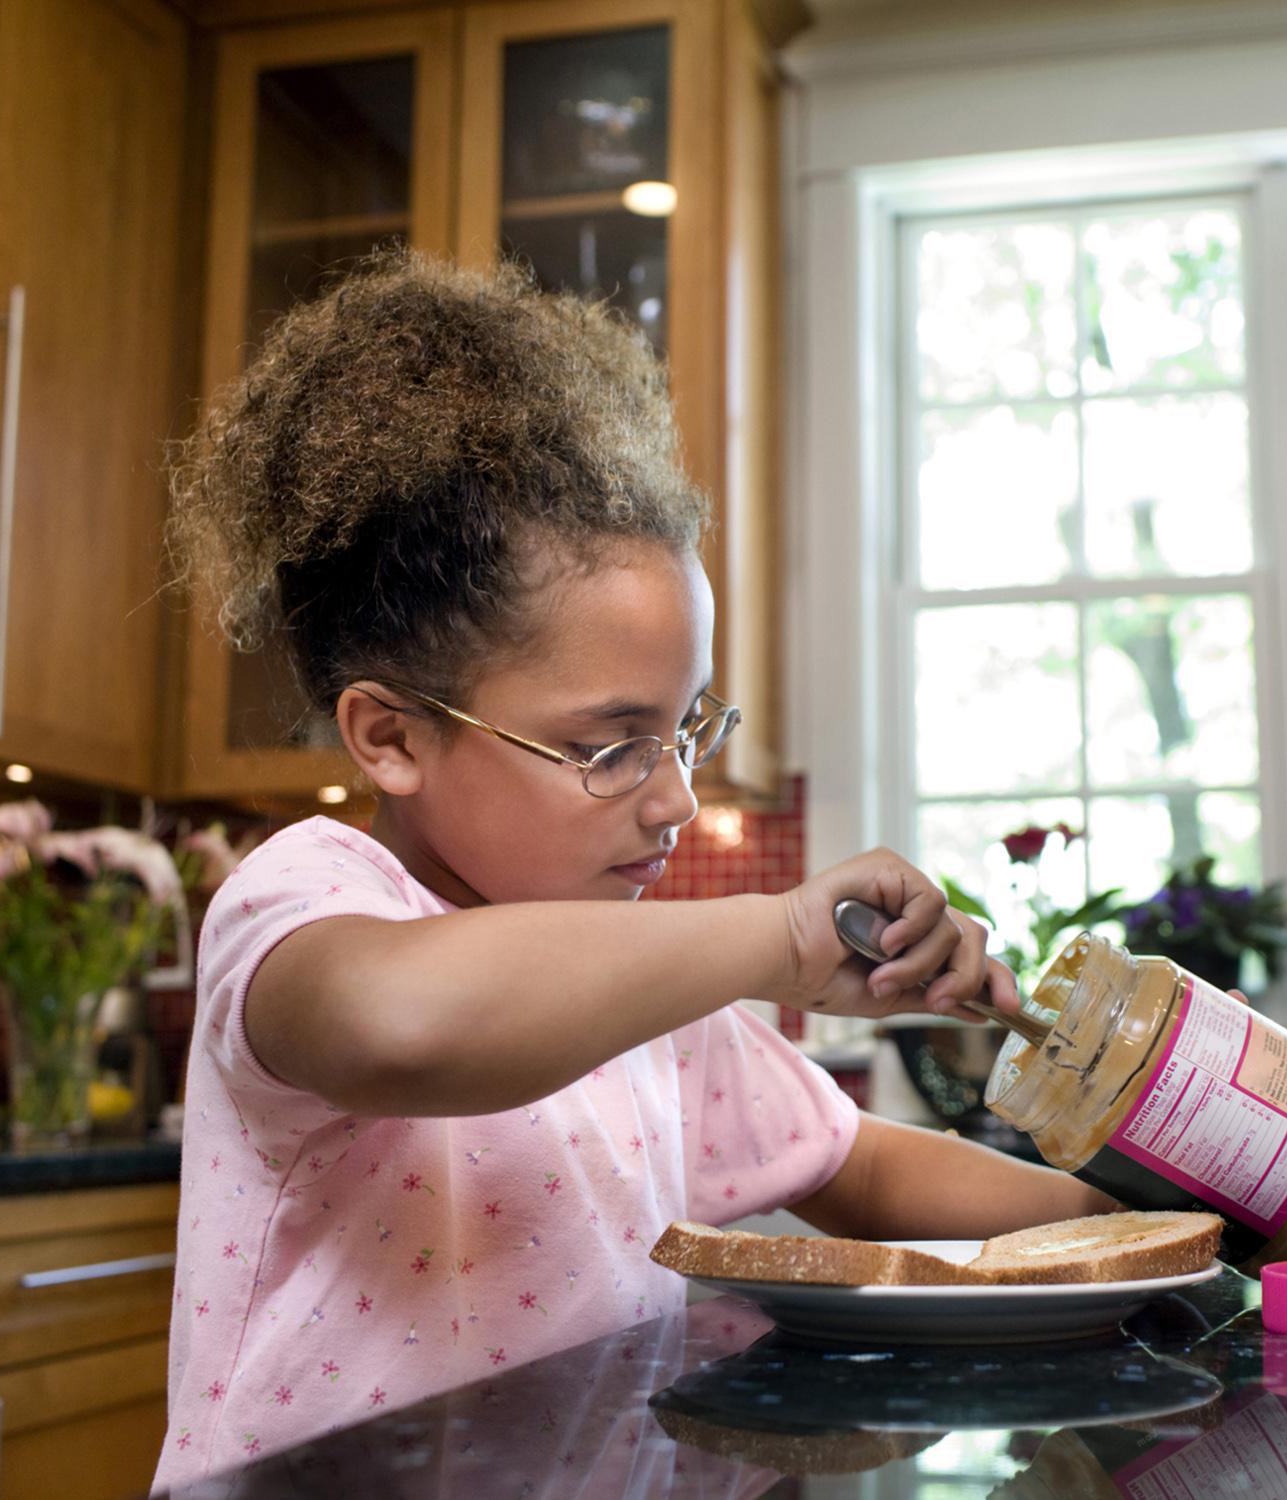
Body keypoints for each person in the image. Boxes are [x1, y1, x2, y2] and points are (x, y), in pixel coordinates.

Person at [153, 252, 1111, 1486]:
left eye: (688, 729)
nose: (673, 798)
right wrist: (777, 937)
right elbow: (401, 1019)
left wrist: (1148, 1232)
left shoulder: (638, 993)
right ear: (390, 737)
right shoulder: (304, 901)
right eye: (607, 746)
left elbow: (857, 1164)